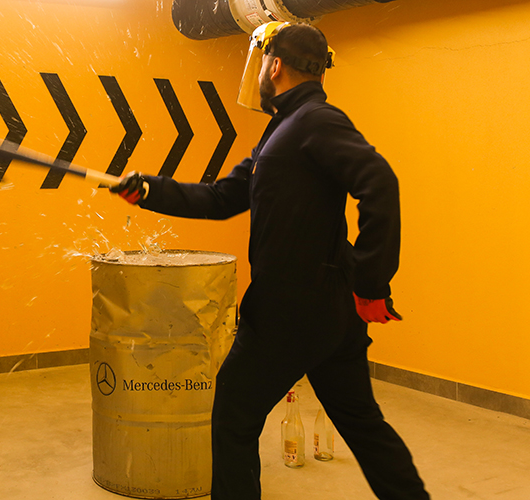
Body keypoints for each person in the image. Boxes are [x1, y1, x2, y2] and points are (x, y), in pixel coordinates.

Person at [109, 21, 430, 500]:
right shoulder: (281, 131)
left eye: (261, 62)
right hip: (325, 311)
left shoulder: (316, 121)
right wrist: (151, 191)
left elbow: (379, 182)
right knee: (362, 423)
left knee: (233, 415)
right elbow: (222, 198)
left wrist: (371, 283)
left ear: (275, 65)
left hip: (290, 310)